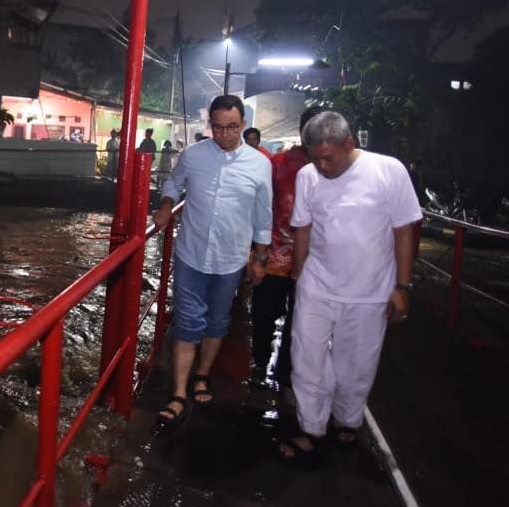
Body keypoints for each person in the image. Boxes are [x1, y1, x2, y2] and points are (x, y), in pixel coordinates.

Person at [279, 111, 421, 464]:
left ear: (350, 143)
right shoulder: (308, 176)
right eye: (316, 158)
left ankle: (346, 418)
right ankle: (311, 426)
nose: (323, 166)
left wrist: (402, 287)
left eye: (330, 157)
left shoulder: (389, 171)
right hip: (318, 284)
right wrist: (298, 275)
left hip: (370, 290)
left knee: (356, 362)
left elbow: (404, 230)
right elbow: (304, 228)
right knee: (306, 357)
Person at [152, 95, 273, 427]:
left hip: (231, 258)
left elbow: (264, 217)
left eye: (231, 127)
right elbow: (174, 183)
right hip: (191, 252)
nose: (224, 134)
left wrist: (259, 258)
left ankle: (202, 375)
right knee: (189, 322)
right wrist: (165, 206)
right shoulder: (193, 156)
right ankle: (178, 393)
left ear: (243, 125)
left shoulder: (260, 165)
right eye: (217, 127)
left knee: (217, 321)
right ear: (210, 126)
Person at [250, 106, 326, 393]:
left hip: (317, 264)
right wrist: (255, 254)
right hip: (274, 257)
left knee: (303, 322)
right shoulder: (279, 163)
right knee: (264, 314)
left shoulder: (337, 168)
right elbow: (260, 209)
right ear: (302, 131)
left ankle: (285, 374)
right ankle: (259, 364)